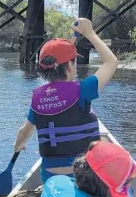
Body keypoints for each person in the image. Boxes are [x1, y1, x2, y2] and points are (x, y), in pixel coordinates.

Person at [14, 18, 119, 183]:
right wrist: (90, 33)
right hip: (84, 177)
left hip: (51, 177)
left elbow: (24, 132)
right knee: (108, 151)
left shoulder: (37, 98)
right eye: (74, 62)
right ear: (69, 67)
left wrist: (18, 145)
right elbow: (111, 62)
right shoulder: (83, 89)